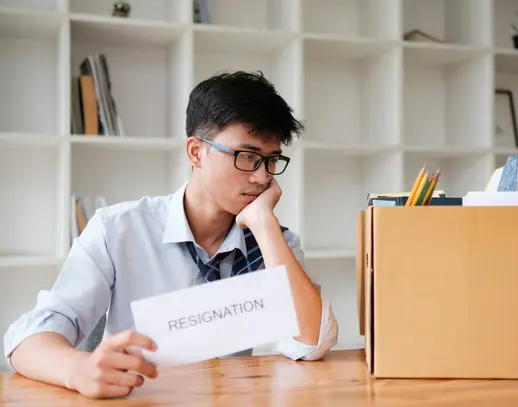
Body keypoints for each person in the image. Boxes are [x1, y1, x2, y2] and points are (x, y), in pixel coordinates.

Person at [3, 71, 339, 399]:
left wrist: (264, 225)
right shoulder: (118, 230)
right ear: (196, 152)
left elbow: (311, 343)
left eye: (271, 161)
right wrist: (78, 369)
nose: (262, 177)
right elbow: (28, 337)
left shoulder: (275, 243)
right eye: (248, 157)